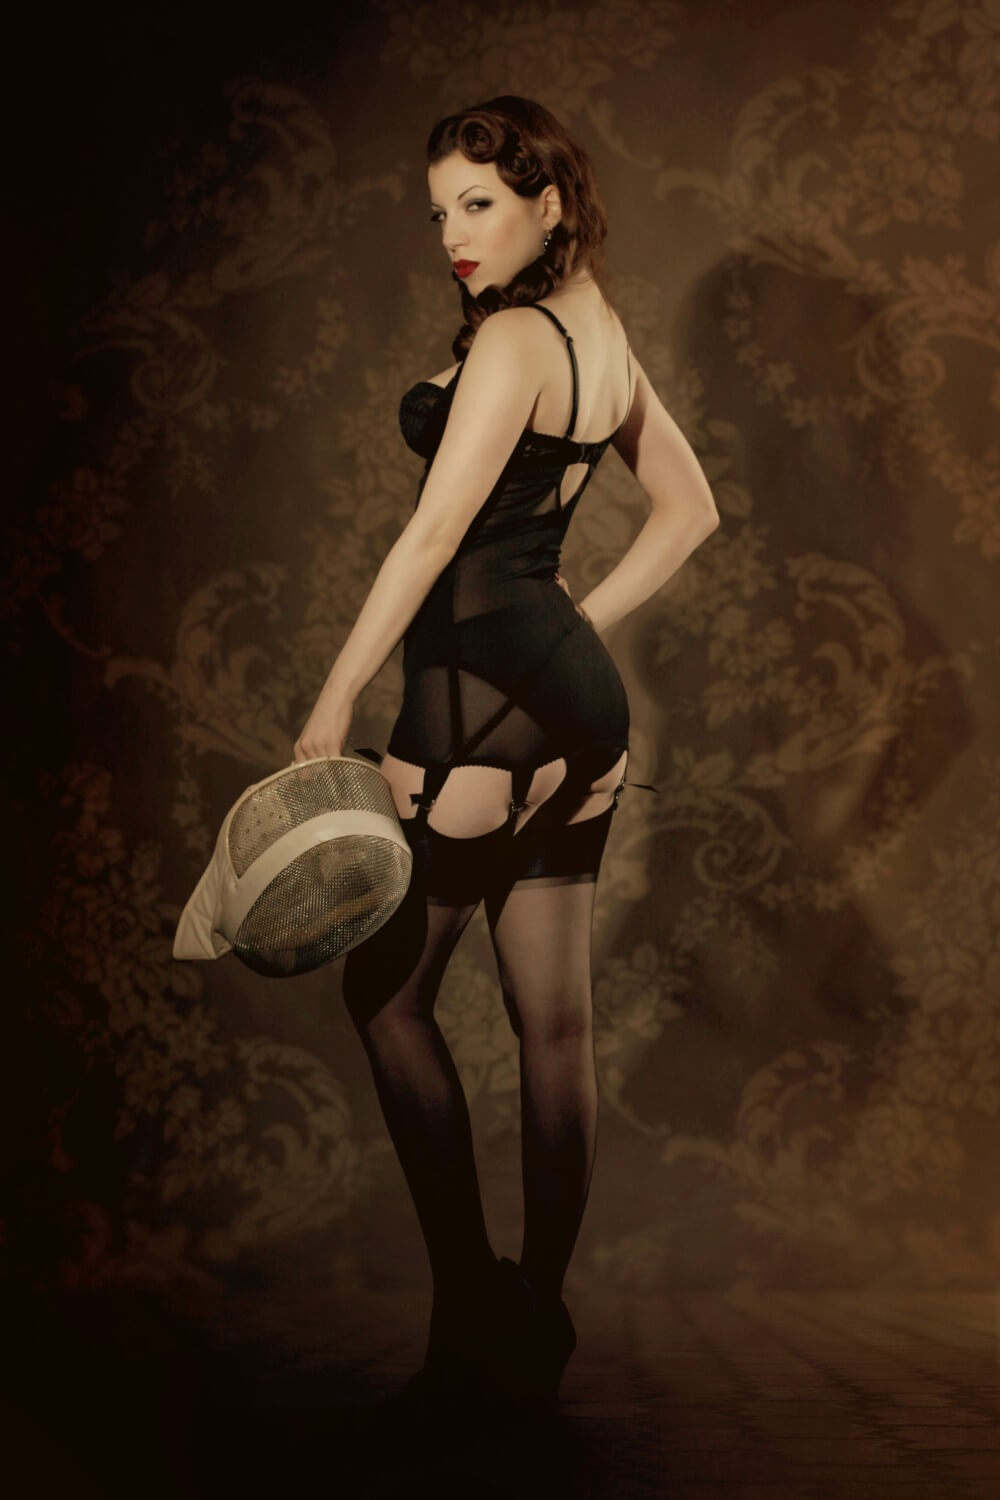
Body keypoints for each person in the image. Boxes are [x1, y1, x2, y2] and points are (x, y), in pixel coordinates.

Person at [293, 96, 719, 1413]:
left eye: (478, 204)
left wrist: (333, 698)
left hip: (473, 702)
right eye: (439, 212)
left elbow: (432, 539)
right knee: (557, 1023)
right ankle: (532, 1313)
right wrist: (578, 630)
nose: (452, 236)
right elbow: (692, 510)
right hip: (576, 708)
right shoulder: (598, 333)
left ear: (549, 200)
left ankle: (471, 1314)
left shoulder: (516, 340)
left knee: (386, 997)